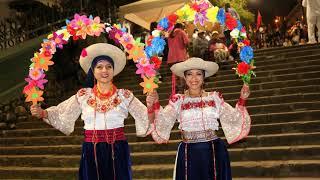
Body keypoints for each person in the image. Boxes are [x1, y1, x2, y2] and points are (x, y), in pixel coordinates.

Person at [30, 43, 152, 180]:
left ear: (114, 70)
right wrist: (42, 113)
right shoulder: (83, 95)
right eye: (99, 67)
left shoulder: (125, 95)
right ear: (93, 71)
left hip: (117, 150)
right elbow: (62, 113)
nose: (104, 70)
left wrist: (153, 103)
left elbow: (146, 115)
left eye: (108, 67)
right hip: (91, 150)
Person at [146, 57, 251, 180]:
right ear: (184, 77)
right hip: (188, 153)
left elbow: (233, 118)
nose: (194, 79)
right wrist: (154, 103)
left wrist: (242, 99)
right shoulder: (178, 100)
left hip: (213, 151)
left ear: (204, 77)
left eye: (198, 74)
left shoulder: (214, 98)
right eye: (189, 74)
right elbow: (162, 121)